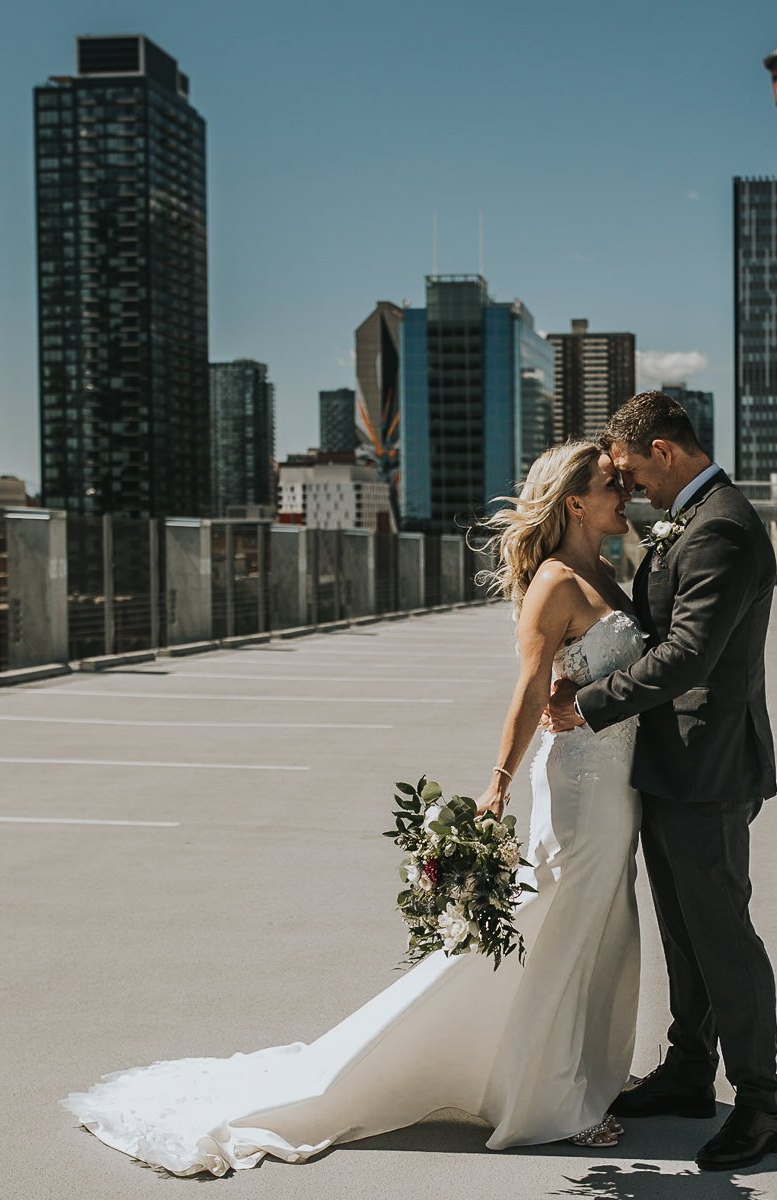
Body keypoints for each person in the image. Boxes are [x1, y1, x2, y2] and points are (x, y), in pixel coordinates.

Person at [60, 441, 647, 1175]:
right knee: (566, 933)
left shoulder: (610, 571)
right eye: (609, 484)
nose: (624, 493)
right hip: (581, 792)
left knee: (601, 927)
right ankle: (549, 1099)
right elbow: (530, 690)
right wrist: (496, 784)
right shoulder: (556, 583)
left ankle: (584, 1072)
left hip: (622, 787)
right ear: (573, 503)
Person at [545, 390, 777, 1172]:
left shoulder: (720, 527)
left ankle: (760, 1103)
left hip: (708, 767)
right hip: (672, 764)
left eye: (630, 469)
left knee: (723, 937)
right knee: (686, 934)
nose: (629, 485)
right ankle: (690, 1071)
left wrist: (588, 705)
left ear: (666, 452)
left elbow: (688, 655)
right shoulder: (696, 516)